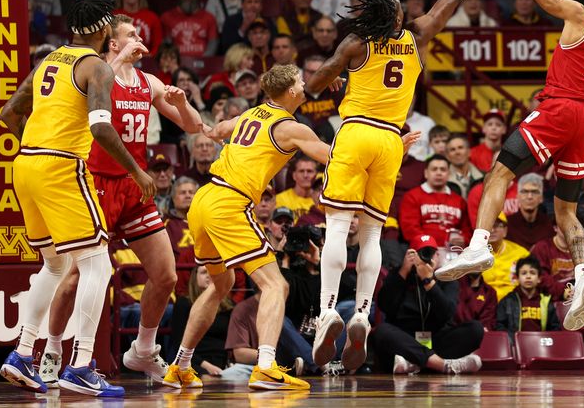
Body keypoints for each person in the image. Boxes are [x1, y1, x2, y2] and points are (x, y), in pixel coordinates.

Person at [305, 0, 514, 370]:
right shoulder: (415, 37)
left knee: (340, 225)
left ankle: (327, 312)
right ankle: (361, 313)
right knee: (375, 232)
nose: (406, 8)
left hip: (356, 129)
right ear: (396, 18)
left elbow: (318, 78)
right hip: (391, 140)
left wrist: (324, 84)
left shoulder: (356, 43)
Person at [163, 64, 418, 389]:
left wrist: (183, 104)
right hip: (229, 202)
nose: (304, 84)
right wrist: (393, 149)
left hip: (204, 199)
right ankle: (266, 366)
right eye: (300, 80)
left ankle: (180, 365)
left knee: (220, 285)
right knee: (276, 286)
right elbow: (338, 159)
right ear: (293, 91)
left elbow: (207, 130)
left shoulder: (249, 114)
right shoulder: (289, 127)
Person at [435, 0, 584, 335]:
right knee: (565, 210)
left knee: (500, 172)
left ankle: (478, 246)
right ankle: (581, 275)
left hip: (558, 109)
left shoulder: (581, 15)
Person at [0, 0, 155, 396]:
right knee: (98, 266)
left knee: (53, 265)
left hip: (26, 164)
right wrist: (137, 171)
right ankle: (82, 364)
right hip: (60, 166)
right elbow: (101, 128)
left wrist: (34, 147)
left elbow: (8, 112)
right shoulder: (96, 66)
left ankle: (20, 353)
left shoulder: (50, 59)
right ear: (103, 30)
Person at [38, 15, 203, 387]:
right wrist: (121, 56)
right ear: (112, 43)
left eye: (138, 35)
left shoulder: (149, 82)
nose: (139, 39)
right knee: (77, 275)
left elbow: (192, 126)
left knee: (166, 275)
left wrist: (183, 103)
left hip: (134, 185)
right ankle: (50, 350)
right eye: (130, 35)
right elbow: (90, 100)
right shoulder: (96, 73)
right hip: (95, 183)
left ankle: (142, 351)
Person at [370, 236, 484, 375]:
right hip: (406, 338)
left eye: (430, 253)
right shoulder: (399, 274)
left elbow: (447, 313)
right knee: (381, 331)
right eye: (421, 253)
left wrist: (429, 282)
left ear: (437, 255)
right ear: (410, 255)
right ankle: (441, 365)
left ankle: (413, 363)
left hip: (436, 339)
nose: (426, 257)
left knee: (475, 329)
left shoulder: (446, 278)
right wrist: (403, 272)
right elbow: (385, 306)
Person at [169, 267, 234, 377]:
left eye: (212, 272)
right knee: (209, 378)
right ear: (195, 277)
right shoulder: (184, 304)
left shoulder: (228, 306)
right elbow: (178, 342)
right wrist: (207, 366)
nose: (209, 275)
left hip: (222, 362)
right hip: (193, 362)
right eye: (204, 272)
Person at [399, 154, 471, 247]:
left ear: (449, 174)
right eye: (434, 169)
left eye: (443, 169)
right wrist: (428, 244)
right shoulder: (412, 196)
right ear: (425, 173)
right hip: (423, 250)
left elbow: (467, 230)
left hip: (454, 252)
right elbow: (410, 229)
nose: (439, 173)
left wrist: (464, 239)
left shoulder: (459, 201)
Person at [531, 224, 584, 302]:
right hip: (552, 300)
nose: (569, 230)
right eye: (565, 225)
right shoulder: (542, 248)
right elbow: (540, 276)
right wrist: (563, 291)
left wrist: (582, 289)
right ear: (555, 227)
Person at [495, 256, 560, 340]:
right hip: (515, 347)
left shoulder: (546, 301)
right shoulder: (507, 301)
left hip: (541, 346)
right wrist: (512, 342)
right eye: (524, 273)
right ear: (517, 278)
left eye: (532, 273)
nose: (528, 276)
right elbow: (500, 327)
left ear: (539, 279)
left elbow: (555, 328)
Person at [481, 214, 529, 301]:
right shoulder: (474, 255)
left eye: (496, 226)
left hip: (512, 303)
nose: (492, 230)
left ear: (505, 230)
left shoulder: (521, 254)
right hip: (484, 302)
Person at [506, 173, 555, 250]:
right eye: (524, 191)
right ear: (517, 196)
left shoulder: (549, 226)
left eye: (534, 192)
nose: (529, 196)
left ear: (541, 198)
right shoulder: (507, 226)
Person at [446, 134, 484, 198]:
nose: (457, 152)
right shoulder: (442, 179)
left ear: (469, 152)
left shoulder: (484, 177)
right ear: (447, 156)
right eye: (452, 149)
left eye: (460, 147)